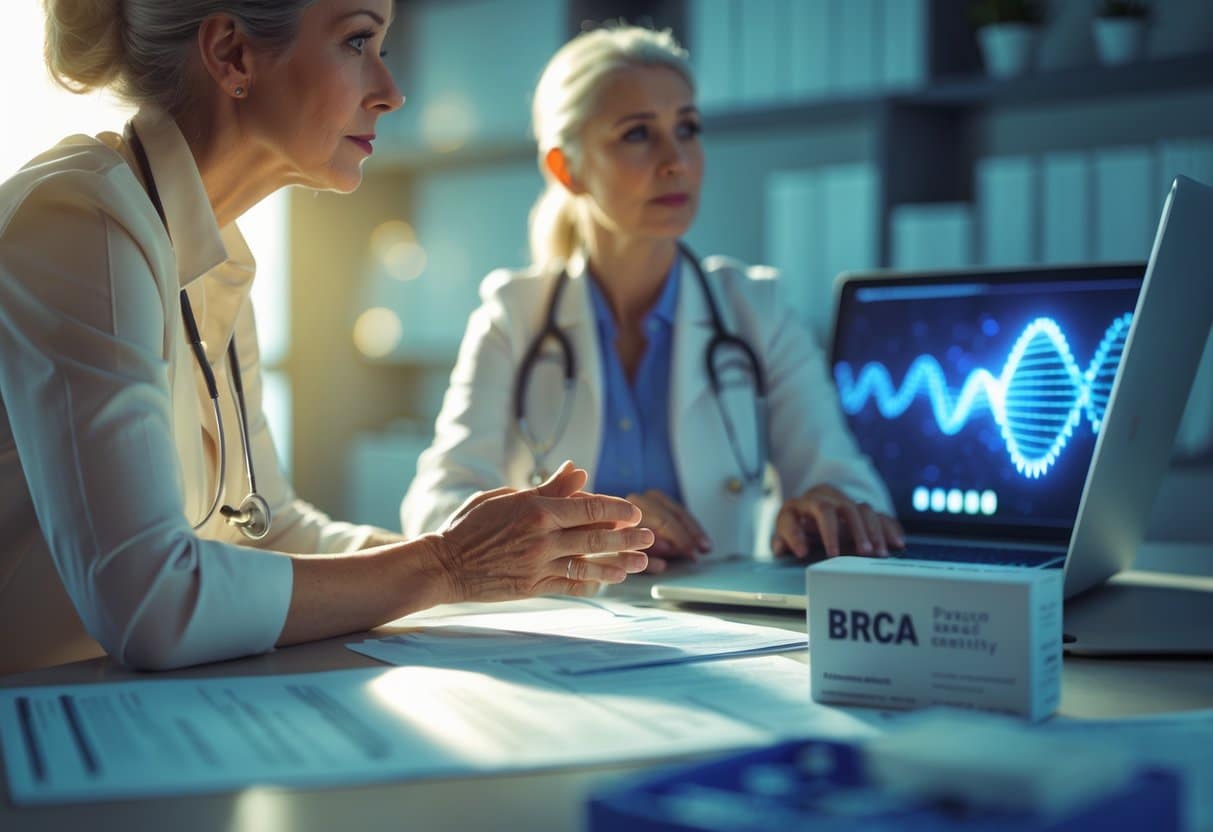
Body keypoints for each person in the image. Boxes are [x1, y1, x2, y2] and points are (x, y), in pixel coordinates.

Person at [0, 0, 653, 676]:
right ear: (233, 55)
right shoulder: (80, 220)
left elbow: (269, 528)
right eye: (357, 42)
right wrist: (447, 565)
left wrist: (507, 563)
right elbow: (152, 602)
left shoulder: (210, 251)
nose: (391, 93)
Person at [401, 25, 905, 572]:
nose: (676, 160)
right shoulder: (513, 315)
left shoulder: (756, 309)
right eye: (638, 135)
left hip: (727, 630)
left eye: (687, 129)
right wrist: (596, 529)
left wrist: (824, 512)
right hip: (563, 628)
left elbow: (853, 488)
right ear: (565, 168)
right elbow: (434, 514)